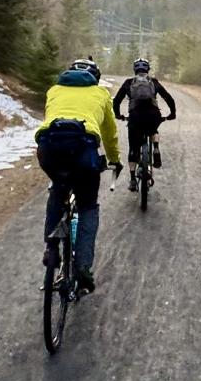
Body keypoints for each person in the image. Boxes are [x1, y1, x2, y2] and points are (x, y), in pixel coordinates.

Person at [34, 58, 121, 293]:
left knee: (58, 188)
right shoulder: (100, 94)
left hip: (48, 150)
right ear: (95, 76)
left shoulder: (54, 90)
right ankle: (83, 266)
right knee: (88, 207)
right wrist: (114, 160)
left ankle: (51, 248)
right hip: (83, 152)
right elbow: (110, 133)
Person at [113, 58, 176, 191]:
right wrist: (172, 113)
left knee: (133, 147)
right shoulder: (153, 82)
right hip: (153, 115)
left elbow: (116, 101)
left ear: (134, 70)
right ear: (148, 69)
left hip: (135, 116)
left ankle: (132, 179)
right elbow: (168, 98)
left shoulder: (128, 83)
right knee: (153, 129)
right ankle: (156, 148)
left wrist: (118, 115)